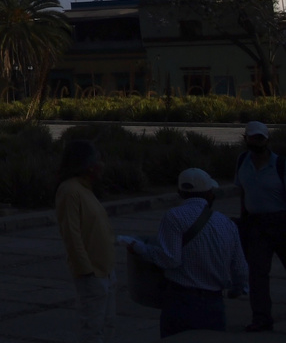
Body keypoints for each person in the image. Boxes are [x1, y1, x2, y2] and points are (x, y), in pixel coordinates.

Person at [122, 168, 248, 337]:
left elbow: (170, 259)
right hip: (213, 304)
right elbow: (240, 268)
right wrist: (235, 290)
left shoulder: (173, 217)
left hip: (180, 301)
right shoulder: (226, 223)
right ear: (209, 193)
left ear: (180, 192)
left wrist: (139, 248)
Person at [57, 139, 117, 342]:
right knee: (92, 328)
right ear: (88, 165)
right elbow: (72, 236)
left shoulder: (85, 189)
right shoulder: (70, 190)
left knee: (106, 324)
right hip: (92, 274)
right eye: (99, 160)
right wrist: (86, 270)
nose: (102, 166)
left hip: (105, 271)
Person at [236, 120, 286, 331]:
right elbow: (242, 191)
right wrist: (244, 221)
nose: (256, 142)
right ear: (245, 139)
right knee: (257, 274)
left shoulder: (280, 164)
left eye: (260, 138)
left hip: (281, 222)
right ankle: (261, 318)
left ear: (267, 140)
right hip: (255, 224)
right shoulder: (242, 161)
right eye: (252, 138)